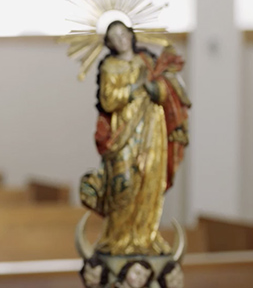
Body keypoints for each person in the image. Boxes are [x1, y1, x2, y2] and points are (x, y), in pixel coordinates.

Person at [79, 20, 190, 256]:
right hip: (123, 132)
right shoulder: (109, 66)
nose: (121, 39)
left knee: (150, 180)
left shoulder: (148, 61)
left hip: (152, 129)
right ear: (109, 43)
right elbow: (108, 100)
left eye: (123, 33)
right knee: (124, 183)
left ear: (131, 34)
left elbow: (165, 91)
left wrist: (154, 89)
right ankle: (118, 239)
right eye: (114, 36)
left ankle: (145, 237)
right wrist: (133, 88)